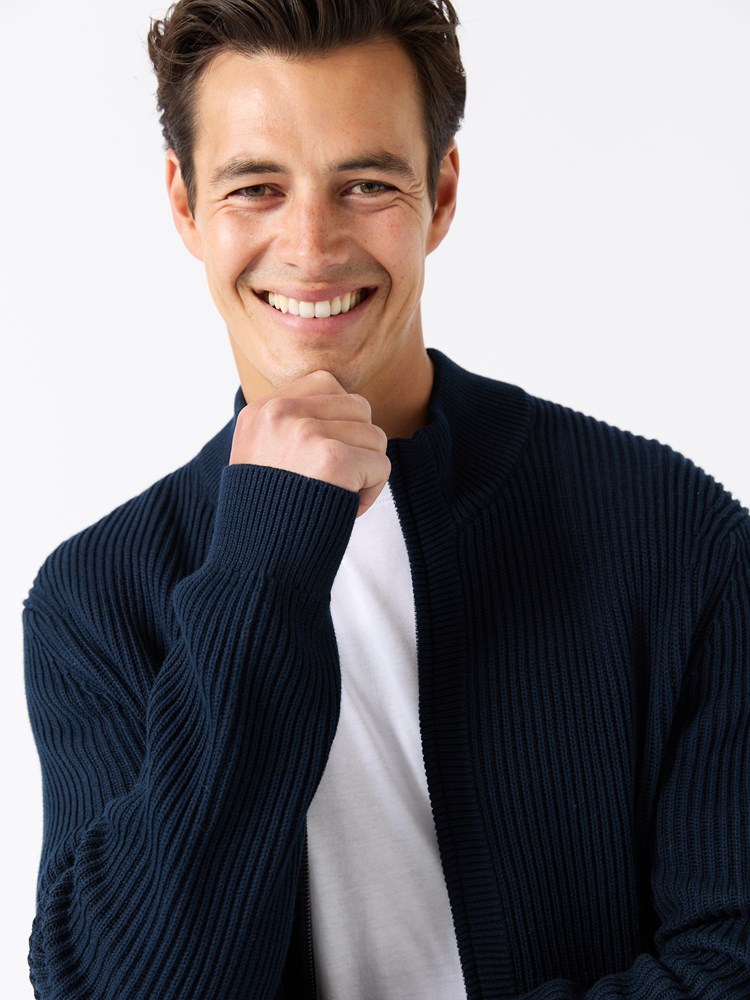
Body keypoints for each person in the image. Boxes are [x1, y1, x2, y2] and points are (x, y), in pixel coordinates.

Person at [23, 0, 750, 997]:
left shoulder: (673, 531)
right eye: (256, 188)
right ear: (186, 206)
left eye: (365, 184)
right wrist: (263, 567)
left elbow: (732, 961)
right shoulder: (99, 598)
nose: (311, 245)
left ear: (439, 194)